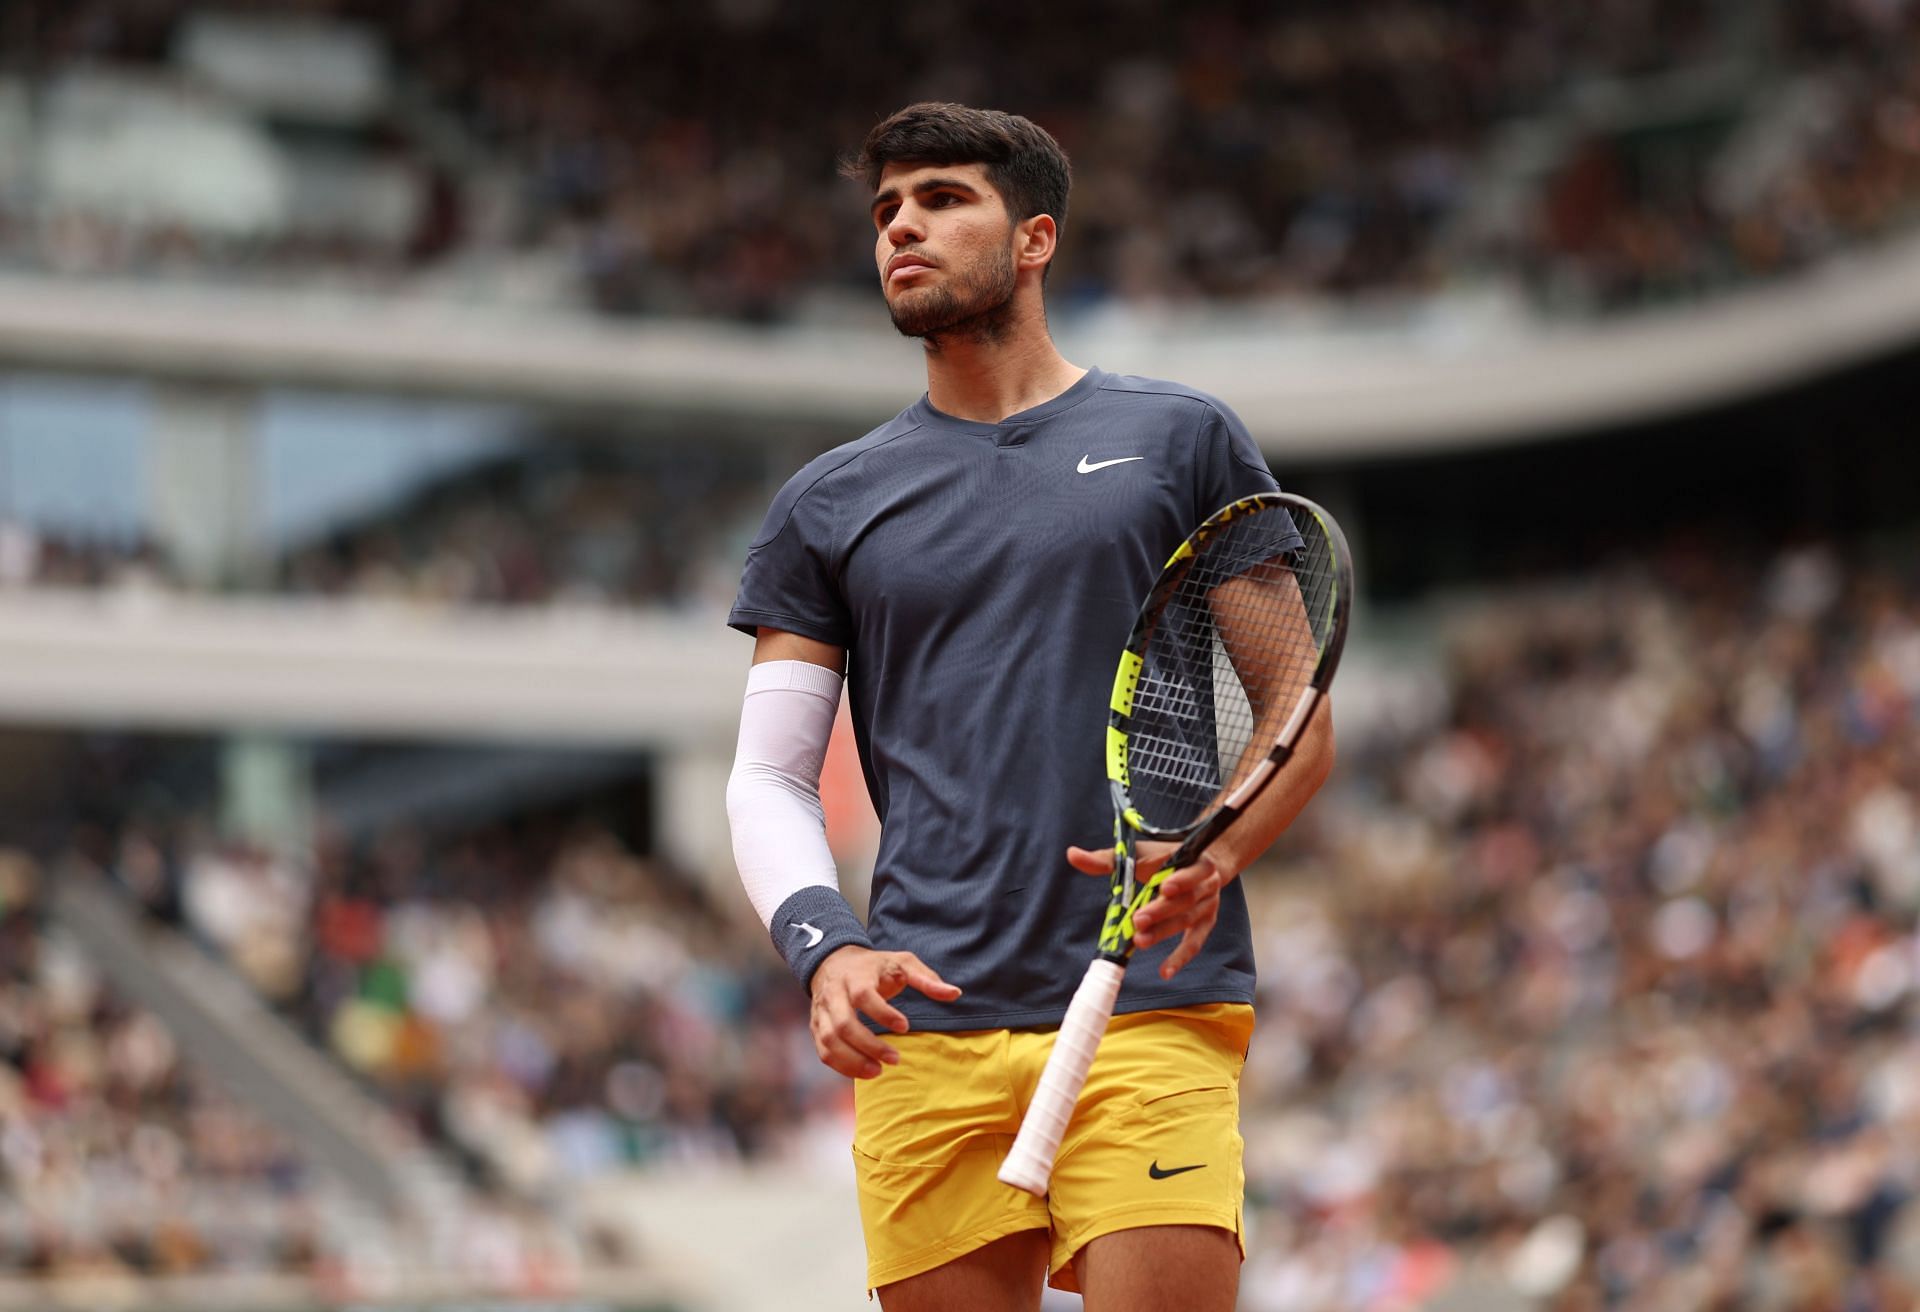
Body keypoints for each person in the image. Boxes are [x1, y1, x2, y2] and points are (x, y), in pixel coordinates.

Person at [725, 102, 1335, 1311]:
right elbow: (770, 775)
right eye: (887, 208)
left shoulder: (1180, 439)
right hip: (924, 1018)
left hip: (1147, 1005)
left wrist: (1218, 845)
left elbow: (1297, 711)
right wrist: (823, 944)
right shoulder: (827, 502)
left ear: (1036, 236)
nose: (903, 225)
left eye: (943, 198)